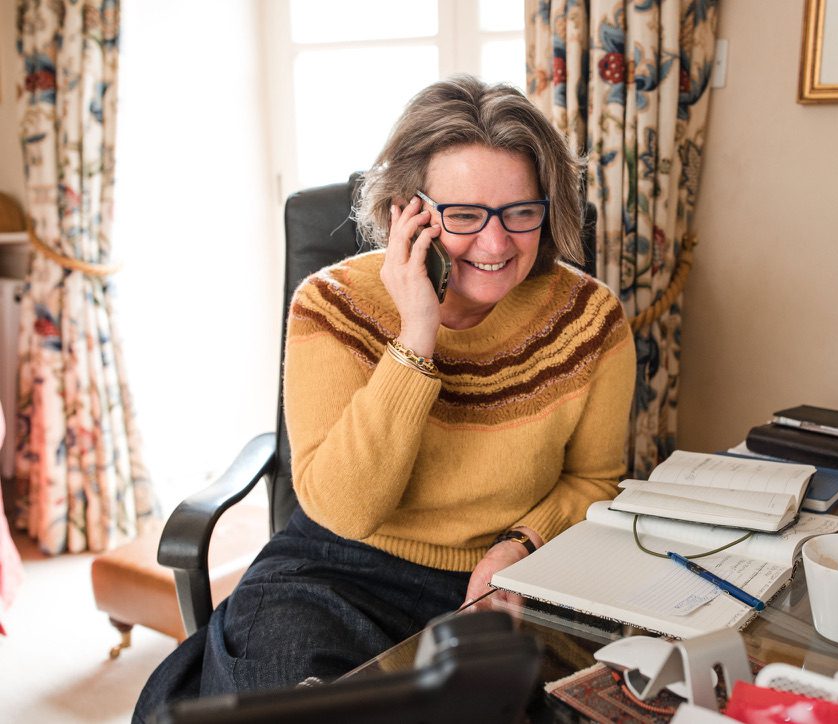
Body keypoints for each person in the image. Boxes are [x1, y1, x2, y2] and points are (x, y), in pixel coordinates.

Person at [134, 75, 635, 718]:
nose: (496, 242)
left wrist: (519, 547)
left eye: (520, 212)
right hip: (336, 572)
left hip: (503, 579)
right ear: (407, 211)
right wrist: (415, 335)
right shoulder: (331, 305)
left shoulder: (589, 319)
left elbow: (594, 479)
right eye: (462, 215)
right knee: (284, 705)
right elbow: (346, 509)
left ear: (549, 207)